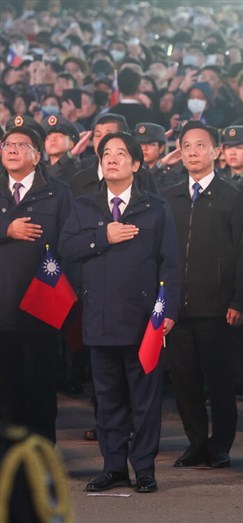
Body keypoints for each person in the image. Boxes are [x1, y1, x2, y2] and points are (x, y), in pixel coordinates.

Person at [59, 132, 181, 493]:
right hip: (98, 318)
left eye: (120, 153)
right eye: (106, 154)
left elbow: (171, 264)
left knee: (144, 400)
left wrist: (169, 310)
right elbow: (67, 248)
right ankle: (113, 467)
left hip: (144, 320)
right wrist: (103, 235)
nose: (111, 159)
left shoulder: (155, 208)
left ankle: (144, 468)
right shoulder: (84, 206)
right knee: (107, 399)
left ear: (136, 164)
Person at [162, 121, 243, 469]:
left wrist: (238, 301)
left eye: (200, 145)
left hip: (218, 308)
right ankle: (196, 442)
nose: (192, 152)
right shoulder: (170, 197)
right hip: (178, 309)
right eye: (186, 146)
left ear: (215, 152)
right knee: (184, 380)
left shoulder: (232, 196)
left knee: (219, 381)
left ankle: (221, 445)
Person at [0, 125, 73, 442]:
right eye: (7, 144)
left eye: (21, 144)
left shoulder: (57, 193)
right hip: (1, 312)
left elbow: (70, 244)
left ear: (37, 155)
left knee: (41, 390)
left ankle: (42, 458)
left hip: (41, 309)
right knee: (6, 391)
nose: (12, 149)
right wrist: (7, 229)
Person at [41, 114, 80, 182]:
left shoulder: (79, 169)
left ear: (71, 143)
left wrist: (69, 156)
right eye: (47, 138)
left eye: (59, 136)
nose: (52, 139)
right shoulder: (38, 169)